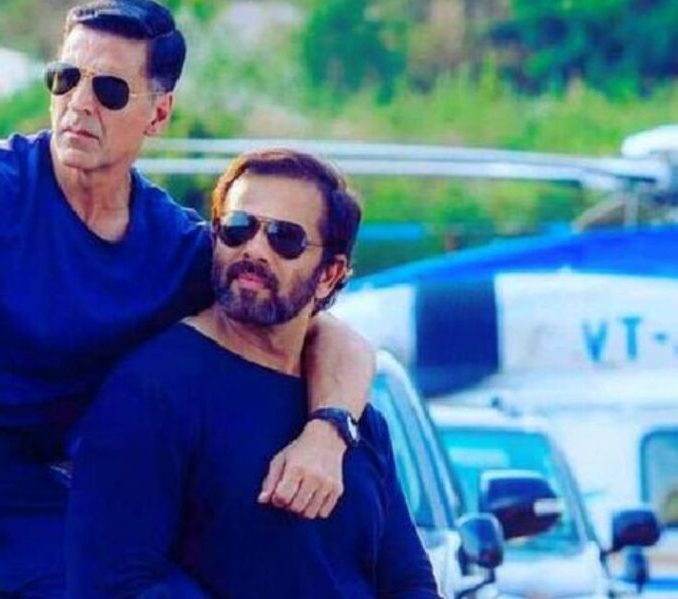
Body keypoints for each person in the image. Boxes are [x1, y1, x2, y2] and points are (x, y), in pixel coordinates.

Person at [0, 1, 376, 597]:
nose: (79, 103)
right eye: (65, 78)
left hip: (13, 492)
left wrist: (328, 429)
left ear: (158, 113)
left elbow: (323, 332)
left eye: (109, 90)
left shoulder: (172, 246)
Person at [66, 149, 440, 598]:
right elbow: (116, 583)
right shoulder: (150, 392)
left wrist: (330, 429)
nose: (254, 249)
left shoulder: (351, 416)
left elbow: (408, 580)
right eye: (238, 228)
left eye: (285, 238)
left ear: (330, 274)